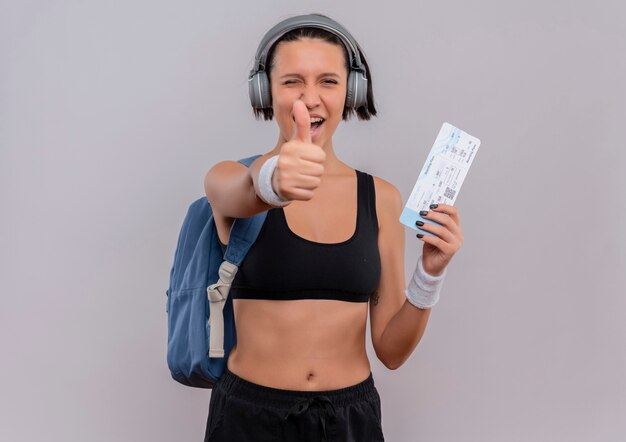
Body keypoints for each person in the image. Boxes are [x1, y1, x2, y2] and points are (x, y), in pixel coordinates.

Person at [203, 13, 463, 442]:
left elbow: (391, 352)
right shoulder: (231, 176)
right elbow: (239, 190)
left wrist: (430, 274)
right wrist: (272, 181)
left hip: (350, 420)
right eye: (292, 82)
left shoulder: (381, 197)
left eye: (328, 80)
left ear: (352, 90)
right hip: (249, 418)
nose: (310, 98)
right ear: (266, 91)